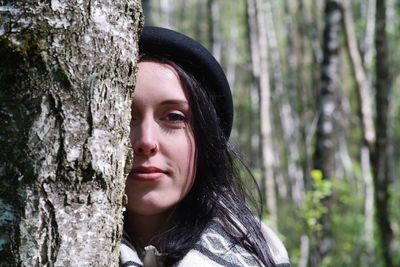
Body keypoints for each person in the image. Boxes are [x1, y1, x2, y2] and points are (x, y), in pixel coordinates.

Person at [120, 26, 290, 267]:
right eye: (123, 117)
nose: (146, 141)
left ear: (205, 138)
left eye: (174, 117)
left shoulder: (263, 255)